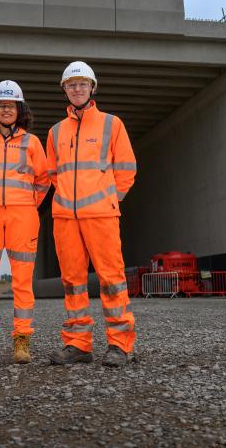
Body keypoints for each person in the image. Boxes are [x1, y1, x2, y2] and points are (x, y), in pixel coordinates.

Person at [46, 61, 137, 367]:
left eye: (83, 84)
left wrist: (109, 199)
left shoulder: (112, 125)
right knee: (73, 283)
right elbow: (52, 174)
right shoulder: (56, 131)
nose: (77, 89)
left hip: (101, 216)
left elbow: (126, 171)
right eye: (71, 85)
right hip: (66, 219)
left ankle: (121, 344)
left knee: (112, 281)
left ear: (92, 88)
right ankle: (78, 343)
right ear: (64, 90)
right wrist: (69, 201)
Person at [0, 80, 50, 365]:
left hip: (23, 216)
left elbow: (43, 180)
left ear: (19, 110)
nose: (6, 110)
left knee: (23, 282)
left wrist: (26, 203)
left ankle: (22, 341)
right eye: (1, 106)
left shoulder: (32, 143)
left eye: (11, 106)